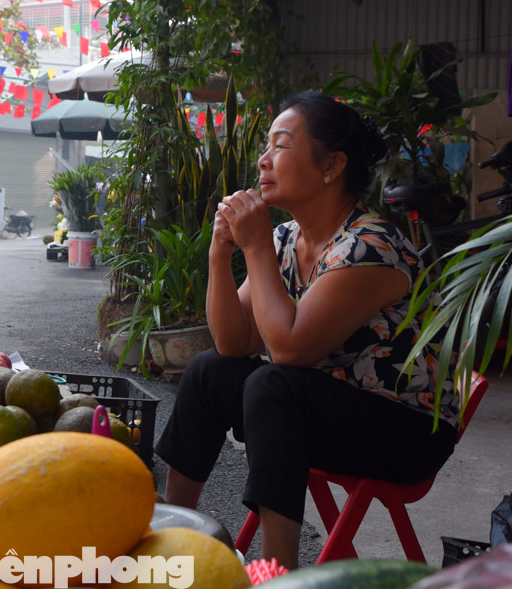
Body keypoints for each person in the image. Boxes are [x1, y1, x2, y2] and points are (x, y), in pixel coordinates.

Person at [154, 91, 460, 568]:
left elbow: (290, 351)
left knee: (274, 384)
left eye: (280, 145)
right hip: (323, 406)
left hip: (405, 429)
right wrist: (220, 253)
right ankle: (170, 535)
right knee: (211, 371)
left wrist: (254, 249)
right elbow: (233, 343)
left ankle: (278, 570)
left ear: (332, 166)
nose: (263, 160)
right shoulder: (286, 240)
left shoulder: (371, 245)